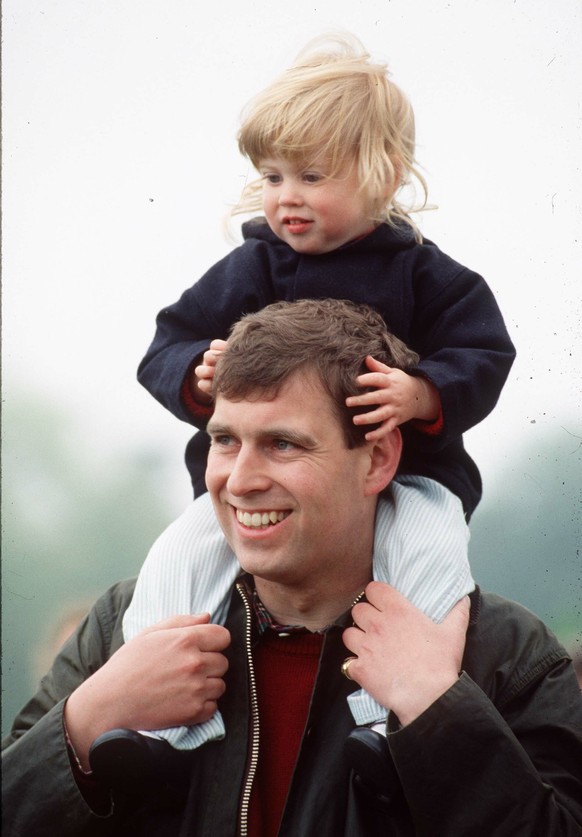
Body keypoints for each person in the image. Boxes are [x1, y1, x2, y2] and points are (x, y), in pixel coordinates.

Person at [2, 299, 581, 837]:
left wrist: (439, 712)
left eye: (283, 444)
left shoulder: (506, 657)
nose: (241, 479)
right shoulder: (121, 631)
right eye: (225, 441)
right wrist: (83, 725)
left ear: (377, 458)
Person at [127, 33, 515, 748]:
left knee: (430, 561)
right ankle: (161, 734)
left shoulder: (427, 275)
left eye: (311, 176)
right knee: (177, 559)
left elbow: (485, 352)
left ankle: (384, 721)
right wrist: (195, 372)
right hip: (257, 493)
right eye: (271, 177)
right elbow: (167, 340)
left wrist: (423, 393)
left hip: (413, 481)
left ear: (384, 173)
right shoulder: (253, 268)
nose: (286, 198)